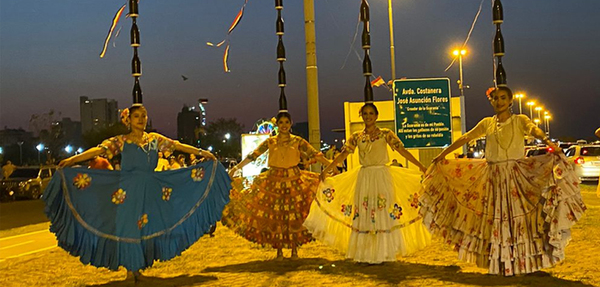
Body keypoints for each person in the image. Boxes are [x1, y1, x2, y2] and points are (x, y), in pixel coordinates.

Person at [44, 105, 231, 282]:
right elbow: (99, 150)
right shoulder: (122, 141)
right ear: (129, 120)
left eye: (143, 116)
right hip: (128, 191)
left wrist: (202, 152)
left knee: (146, 227)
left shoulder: (154, 139)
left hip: (151, 189)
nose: (141, 119)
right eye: (136, 116)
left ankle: (138, 268)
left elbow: (177, 146)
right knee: (129, 227)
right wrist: (73, 159)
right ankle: (130, 271)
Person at [419, 86, 586, 276]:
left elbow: (534, 130)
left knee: (519, 217)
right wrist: (443, 154)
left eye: (502, 98)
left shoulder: (520, 120)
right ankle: (500, 260)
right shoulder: (487, 123)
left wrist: (549, 144)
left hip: (516, 176)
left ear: (510, 101)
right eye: (495, 98)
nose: (498, 102)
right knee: (494, 219)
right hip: (492, 176)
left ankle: (521, 261)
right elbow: (466, 137)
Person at [304, 103, 431, 264]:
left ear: (376, 116)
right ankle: (366, 253)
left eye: (371, 113)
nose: (368, 116)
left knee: (383, 212)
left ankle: (384, 252)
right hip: (364, 178)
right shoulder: (356, 137)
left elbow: (401, 150)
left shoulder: (386, 134)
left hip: (382, 177)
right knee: (364, 213)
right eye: (365, 113)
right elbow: (343, 155)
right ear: (362, 116)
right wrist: (327, 169)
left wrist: (421, 166)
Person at [222, 111, 331, 260]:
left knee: (295, 216)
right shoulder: (270, 141)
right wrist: (236, 168)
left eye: (287, 122)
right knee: (277, 216)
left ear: (291, 124)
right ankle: (279, 250)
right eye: (281, 123)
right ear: (277, 125)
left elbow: (315, 154)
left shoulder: (298, 141)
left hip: (295, 181)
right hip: (274, 181)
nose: (284, 126)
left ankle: (294, 250)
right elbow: (254, 155)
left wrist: (332, 165)